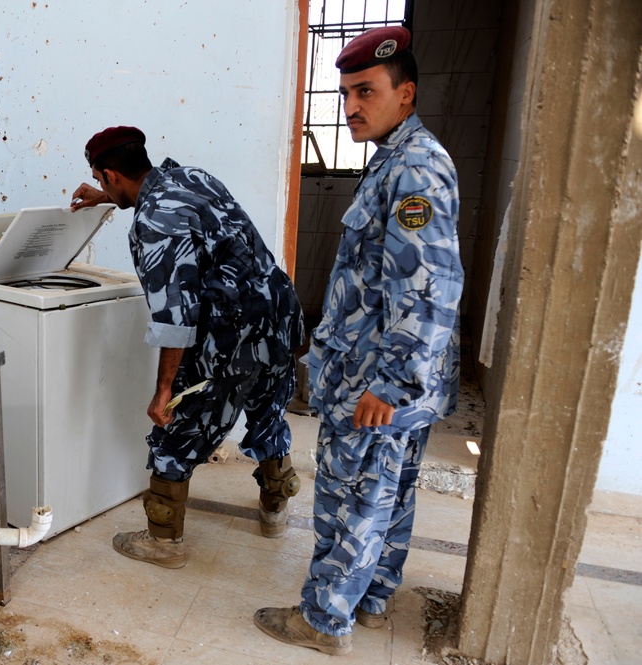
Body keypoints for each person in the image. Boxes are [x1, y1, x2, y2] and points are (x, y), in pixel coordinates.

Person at [254, 26, 464, 656]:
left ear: (406, 94)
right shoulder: (397, 159)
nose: (351, 106)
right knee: (389, 492)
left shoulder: (414, 169)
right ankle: (371, 600)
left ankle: (323, 620)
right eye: (346, 93)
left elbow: (427, 285)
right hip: (395, 376)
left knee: (352, 500)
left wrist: (390, 385)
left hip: (379, 380)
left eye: (366, 91)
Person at [70, 126, 305, 569]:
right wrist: (110, 198)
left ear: (110, 174)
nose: (102, 187)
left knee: (175, 431)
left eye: (103, 181)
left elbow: (175, 317)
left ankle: (163, 542)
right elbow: (181, 209)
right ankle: (275, 511)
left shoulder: (151, 224)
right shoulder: (193, 178)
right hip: (280, 318)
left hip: (231, 340)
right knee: (267, 412)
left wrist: (164, 390)